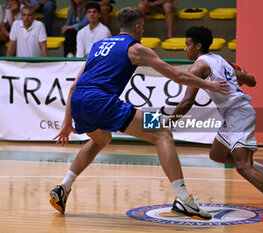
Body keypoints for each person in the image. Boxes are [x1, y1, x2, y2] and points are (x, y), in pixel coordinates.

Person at [49, 7, 228, 220]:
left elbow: (74, 86)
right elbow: (178, 76)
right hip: (102, 102)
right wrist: (209, 86)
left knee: (101, 139)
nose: (142, 31)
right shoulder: (135, 48)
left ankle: (63, 186)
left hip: (79, 102)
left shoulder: (99, 46)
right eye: (142, 27)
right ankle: (183, 200)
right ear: (137, 27)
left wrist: (67, 122)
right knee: (162, 131)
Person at [166, 26, 263, 223]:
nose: (184, 49)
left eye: (187, 45)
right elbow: (247, 79)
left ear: (198, 45)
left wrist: (167, 124)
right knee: (217, 154)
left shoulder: (197, 67)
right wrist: (248, 79)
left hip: (238, 114)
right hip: (232, 115)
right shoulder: (220, 59)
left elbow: (187, 102)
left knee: (242, 166)